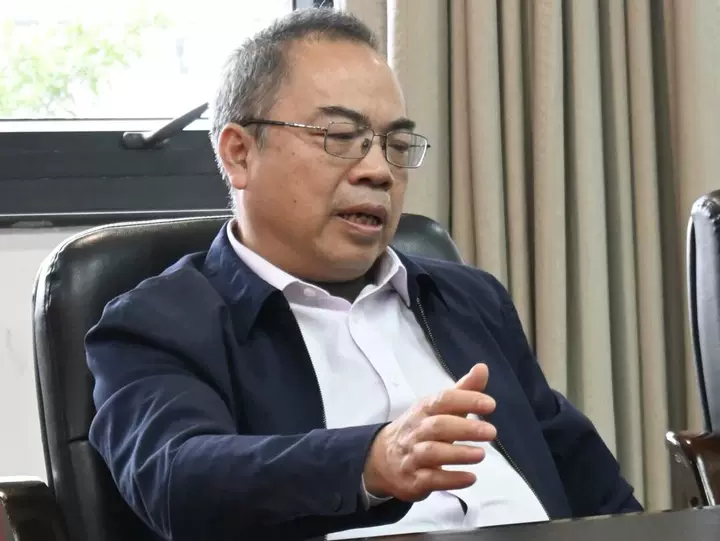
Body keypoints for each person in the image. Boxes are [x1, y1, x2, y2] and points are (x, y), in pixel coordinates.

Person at [85, 8, 642, 541]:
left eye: (395, 145)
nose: (378, 171)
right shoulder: (155, 324)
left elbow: (591, 482)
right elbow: (177, 480)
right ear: (239, 154)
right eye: (339, 137)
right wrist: (371, 461)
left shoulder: (469, 298)